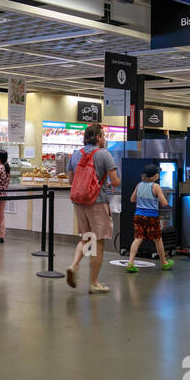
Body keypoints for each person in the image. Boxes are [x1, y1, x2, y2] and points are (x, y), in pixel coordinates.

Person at [65, 122, 120, 293]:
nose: (104, 138)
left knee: (87, 237)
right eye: (103, 135)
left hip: (79, 202)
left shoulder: (75, 154)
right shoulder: (104, 154)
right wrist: (110, 183)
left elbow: (70, 180)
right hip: (97, 201)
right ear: (97, 137)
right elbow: (115, 181)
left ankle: (74, 265)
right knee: (98, 242)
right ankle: (94, 283)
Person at [126, 163, 172, 272]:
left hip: (139, 215)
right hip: (152, 217)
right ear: (154, 176)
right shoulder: (156, 187)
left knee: (138, 238)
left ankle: (130, 262)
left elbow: (132, 199)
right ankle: (164, 263)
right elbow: (164, 202)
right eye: (158, 173)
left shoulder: (139, 185)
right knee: (157, 239)